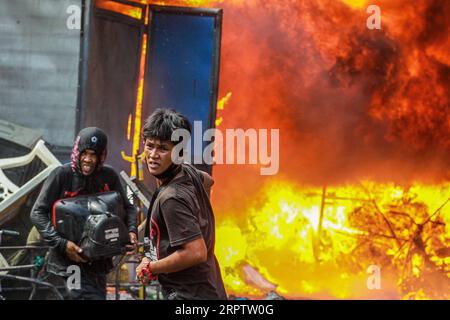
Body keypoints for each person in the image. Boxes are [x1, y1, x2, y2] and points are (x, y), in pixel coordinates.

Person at [30, 127, 137, 299]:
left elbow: (128, 207)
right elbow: (37, 212)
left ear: (102, 156)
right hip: (68, 265)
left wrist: (131, 231)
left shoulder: (108, 176)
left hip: (99, 264)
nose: (88, 159)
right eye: (84, 153)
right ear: (77, 152)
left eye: (94, 155)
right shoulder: (62, 175)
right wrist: (62, 244)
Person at [135, 108, 227, 300]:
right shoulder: (188, 174)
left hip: (191, 296)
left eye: (162, 148)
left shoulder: (172, 198)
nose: (153, 155)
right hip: (208, 289)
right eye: (149, 146)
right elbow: (209, 180)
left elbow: (195, 252)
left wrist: (151, 267)